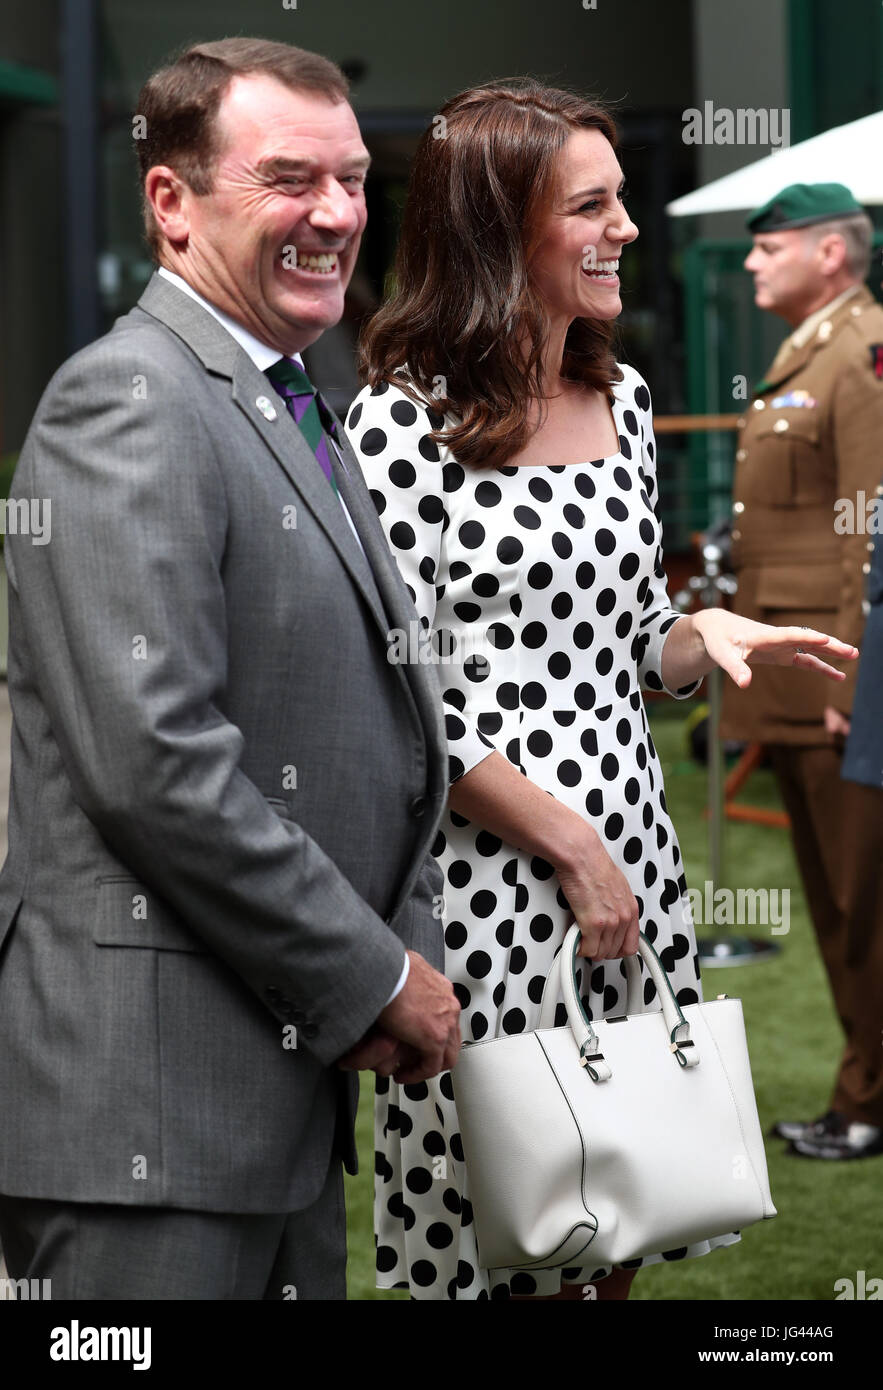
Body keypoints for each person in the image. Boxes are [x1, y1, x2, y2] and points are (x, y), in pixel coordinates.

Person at [346, 83, 856, 1301]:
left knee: (626, 1215)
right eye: (592, 204)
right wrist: (569, 848)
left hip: (632, 860)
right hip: (486, 888)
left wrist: (699, 632)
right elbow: (402, 699)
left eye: (619, 198)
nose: (627, 226)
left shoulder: (621, 402)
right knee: (505, 1234)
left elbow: (630, 643)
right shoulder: (397, 422)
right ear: (496, 229)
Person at [0, 37, 461, 1301]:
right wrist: (372, 973)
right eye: (289, 179)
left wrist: (389, 956)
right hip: (147, 1125)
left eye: (355, 180)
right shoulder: (129, 402)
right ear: (170, 202)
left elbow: (354, 723)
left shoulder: (289, 395)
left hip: (270, 1108)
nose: (336, 214)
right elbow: (156, 765)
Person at [720, 183, 883, 1161]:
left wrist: (853, 692)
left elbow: (872, 525)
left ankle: (866, 1099)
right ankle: (862, 1079)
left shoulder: (859, 357)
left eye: (767, 245)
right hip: (794, 678)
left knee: (861, 900)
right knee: (830, 897)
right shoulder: (808, 351)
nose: (750, 261)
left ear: (829, 254)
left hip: (836, 680)